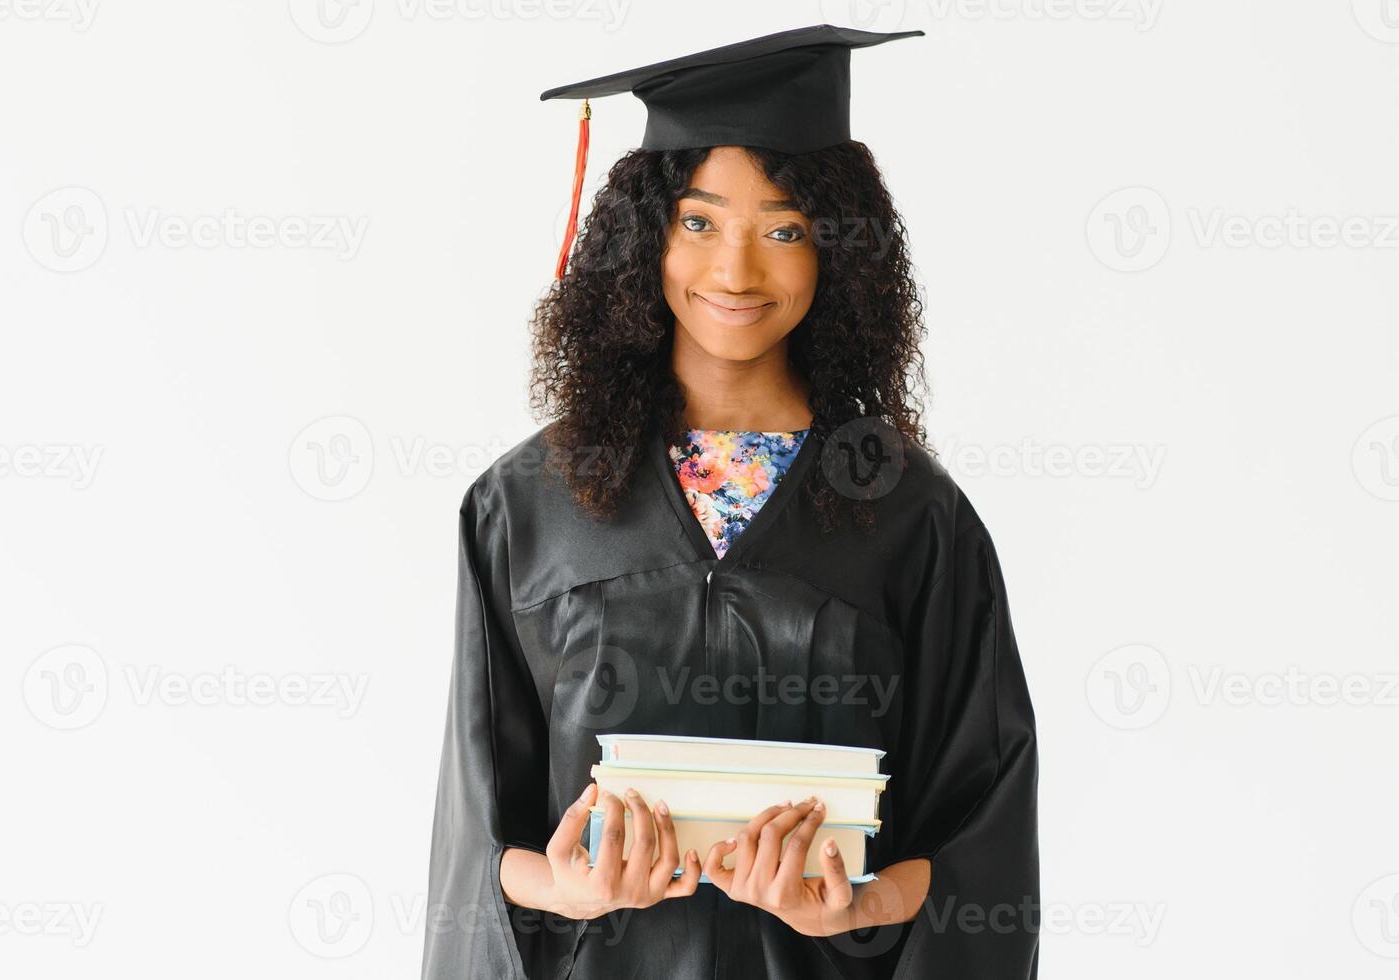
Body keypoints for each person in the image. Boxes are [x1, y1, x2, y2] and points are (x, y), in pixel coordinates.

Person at [422, 24, 1039, 979]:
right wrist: (568, 886)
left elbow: (985, 838)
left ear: (839, 250)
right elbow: (473, 837)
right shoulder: (528, 506)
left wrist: (857, 906)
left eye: (784, 228)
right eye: (699, 222)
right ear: (644, 238)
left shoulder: (911, 515)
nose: (737, 271)